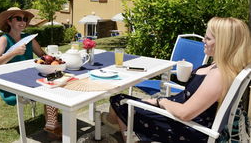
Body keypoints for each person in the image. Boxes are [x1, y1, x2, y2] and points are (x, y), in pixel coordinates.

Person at [103, 17, 251, 142]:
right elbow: (195, 94)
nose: (203, 41)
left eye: (208, 38)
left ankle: (121, 129)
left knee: (120, 102)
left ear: (224, 43)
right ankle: (119, 125)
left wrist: (160, 102)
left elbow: (185, 113)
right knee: (122, 104)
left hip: (186, 127)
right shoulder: (222, 67)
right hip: (182, 116)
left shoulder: (218, 75)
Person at [0, 7, 61, 138]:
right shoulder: (4, 39)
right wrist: (13, 53)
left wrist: (53, 57)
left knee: (53, 84)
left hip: (29, 77)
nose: (22, 21)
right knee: (49, 88)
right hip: (11, 82)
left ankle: (51, 125)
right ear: (9, 21)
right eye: (18, 18)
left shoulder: (29, 39)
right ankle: (53, 127)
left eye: (25, 19)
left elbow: (42, 56)